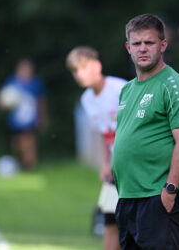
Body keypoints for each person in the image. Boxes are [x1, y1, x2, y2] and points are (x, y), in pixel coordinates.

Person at [112, 14, 179, 250]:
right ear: (128, 48)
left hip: (158, 194)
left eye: (149, 43)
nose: (142, 49)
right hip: (129, 195)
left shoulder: (174, 86)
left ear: (163, 45)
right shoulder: (127, 90)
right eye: (137, 44)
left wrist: (170, 190)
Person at [66, 46, 126, 250]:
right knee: (109, 223)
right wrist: (104, 165)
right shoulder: (87, 100)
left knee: (151, 225)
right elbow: (105, 134)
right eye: (75, 70)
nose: (79, 74)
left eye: (83, 67)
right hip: (115, 170)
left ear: (97, 65)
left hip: (137, 167)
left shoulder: (121, 89)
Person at [0, 58, 48, 170]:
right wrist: (3, 105)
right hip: (15, 121)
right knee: (16, 145)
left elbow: (41, 101)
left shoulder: (35, 83)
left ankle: (30, 166)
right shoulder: (12, 82)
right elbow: (2, 99)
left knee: (28, 142)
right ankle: (22, 163)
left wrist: (42, 117)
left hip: (30, 120)